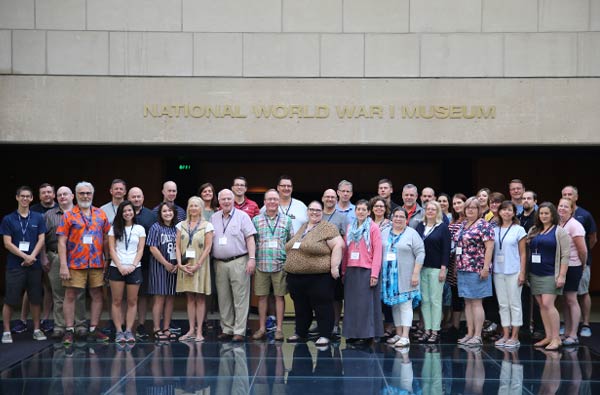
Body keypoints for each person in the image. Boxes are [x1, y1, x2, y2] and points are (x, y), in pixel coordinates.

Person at [57, 181, 111, 345]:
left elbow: (107, 238)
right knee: (70, 295)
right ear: (76, 195)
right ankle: (69, 330)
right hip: (75, 263)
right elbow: (61, 242)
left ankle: (94, 329)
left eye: (88, 193)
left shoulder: (100, 214)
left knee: (97, 295)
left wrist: (107, 259)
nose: (85, 196)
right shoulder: (68, 215)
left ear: (92, 195)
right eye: (82, 193)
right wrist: (63, 265)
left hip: (96, 263)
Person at [284, 201, 344, 346]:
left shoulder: (327, 227)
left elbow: (339, 245)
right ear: (307, 211)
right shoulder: (303, 227)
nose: (315, 212)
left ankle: (325, 334)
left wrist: (334, 267)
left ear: (322, 212)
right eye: (312, 210)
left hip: (319, 277)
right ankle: (300, 332)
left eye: (318, 210)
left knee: (322, 307)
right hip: (297, 277)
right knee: (301, 307)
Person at [1, 186, 47, 343]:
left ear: (32, 198)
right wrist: (24, 256)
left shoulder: (38, 217)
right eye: (22, 196)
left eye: (28, 196)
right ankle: (6, 331)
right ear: (17, 198)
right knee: (11, 299)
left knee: (35, 298)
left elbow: (42, 239)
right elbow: (7, 243)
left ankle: (36, 329)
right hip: (15, 265)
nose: (25, 199)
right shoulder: (8, 219)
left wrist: (32, 256)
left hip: (34, 264)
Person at [211, 189, 257, 342]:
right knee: (223, 298)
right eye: (223, 199)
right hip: (219, 263)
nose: (226, 202)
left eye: (229, 199)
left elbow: (250, 238)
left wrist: (252, 258)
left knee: (240, 297)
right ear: (219, 201)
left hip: (239, 261)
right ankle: (227, 328)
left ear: (233, 200)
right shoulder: (214, 217)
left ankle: (239, 330)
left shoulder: (243, 217)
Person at [42, 186, 87, 339]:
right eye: (59, 195)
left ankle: (80, 325)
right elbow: (42, 238)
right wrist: (44, 256)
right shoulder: (49, 215)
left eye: (65, 194)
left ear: (72, 196)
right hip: (54, 256)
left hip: (77, 257)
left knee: (79, 293)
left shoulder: (81, 213)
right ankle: (60, 326)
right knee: (58, 293)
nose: (62, 197)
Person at [251, 189, 294, 341]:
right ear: (264, 202)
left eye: (275, 199)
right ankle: (262, 328)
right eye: (269, 199)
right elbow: (252, 243)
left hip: (280, 264)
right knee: (261, 297)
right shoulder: (256, 220)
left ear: (279, 201)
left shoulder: (287, 220)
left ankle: (279, 329)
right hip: (261, 264)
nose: (272, 202)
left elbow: (290, 242)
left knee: (279, 297)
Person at [527, 202, 570, 351]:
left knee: (548, 304)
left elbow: (565, 255)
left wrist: (562, 276)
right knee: (541, 305)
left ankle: (557, 338)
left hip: (551, 273)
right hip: (535, 273)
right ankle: (548, 336)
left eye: (547, 213)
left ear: (553, 215)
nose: (543, 216)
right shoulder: (534, 230)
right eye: (541, 213)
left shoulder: (560, 231)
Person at [381, 207, 425, 348]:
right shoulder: (384, 232)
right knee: (395, 305)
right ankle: (398, 334)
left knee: (405, 306)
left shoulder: (412, 233)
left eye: (401, 216)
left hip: (407, 276)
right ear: (391, 218)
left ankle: (405, 336)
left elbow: (420, 253)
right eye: (396, 216)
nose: (398, 219)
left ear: (406, 219)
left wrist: (415, 273)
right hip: (389, 278)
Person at [341, 199, 383, 344]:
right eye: (358, 209)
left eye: (363, 209)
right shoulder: (349, 228)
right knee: (352, 305)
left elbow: (378, 252)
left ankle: (366, 335)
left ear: (368, 212)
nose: (360, 212)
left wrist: (374, 274)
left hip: (367, 270)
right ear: (355, 211)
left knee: (365, 306)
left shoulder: (373, 228)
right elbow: (346, 251)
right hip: (351, 270)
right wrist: (343, 271)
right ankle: (353, 333)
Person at [455, 197, 494, 347]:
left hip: (477, 268)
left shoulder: (484, 225)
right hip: (463, 268)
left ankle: (478, 335)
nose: (470, 210)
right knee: (467, 302)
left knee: (477, 302)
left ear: (479, 210)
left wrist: (485, 267)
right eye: (468, 207)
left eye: (473, 208)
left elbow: (489, 247)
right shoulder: (463, 224)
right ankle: (469, 333)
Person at [176, 196, 214, 342]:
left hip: (200, 265)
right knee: (190, 298)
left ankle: (199, 331)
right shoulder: (181, 225)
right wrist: (179, 264)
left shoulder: (207, 225)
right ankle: (191, 330)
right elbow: (178, 246)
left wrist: (198, 264)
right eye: (191, 205)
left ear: (201, 208)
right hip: (185, 266)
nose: (193, 208)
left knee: (200, 298)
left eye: (196, 206)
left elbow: (208, 247)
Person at [108, 201, 146, 343]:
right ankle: (119, 331)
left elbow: (140, 250)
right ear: (120, 213)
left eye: (130, 210)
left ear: (134, 212)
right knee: (117, 300)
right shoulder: (113, 229)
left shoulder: (140, 229)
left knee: (132, 300)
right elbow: (112, 250)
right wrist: (120, 266)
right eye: (124, 211)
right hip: (116, 267)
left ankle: (129, 330)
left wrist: (132, 265)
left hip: (134, 268)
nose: (127, 213)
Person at [562, 185, 597, 338]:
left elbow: (592, 239)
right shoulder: (560, 220)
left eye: (570, 194)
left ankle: (585, 324)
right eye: (564, 195)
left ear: (576, 197)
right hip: (565, 265)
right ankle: (569, 328)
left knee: (581, 293)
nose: (567, 196)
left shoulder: (584, 216)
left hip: (580, 263)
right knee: (567, 297)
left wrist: (583, 259)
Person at [492, 201, 527, 348]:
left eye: (509, 210)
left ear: (514, 213)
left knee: (515, 304)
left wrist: (522, 272)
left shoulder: (519, 230)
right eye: (504, 210)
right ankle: (505, 334)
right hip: (498, 271)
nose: (506, 212)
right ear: (499, 212)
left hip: (514, 270)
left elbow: (523, 253)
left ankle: (515, 336)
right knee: (503, 304)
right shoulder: (494, 230)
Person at [415, 201, 450, 344]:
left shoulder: (442, 228)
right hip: (422, 268)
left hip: (437, 269)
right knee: (425, 300)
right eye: (428, 209)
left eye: (433, 209)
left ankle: (435, 331)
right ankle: (427, 330)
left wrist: (443, 268)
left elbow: (446, 250)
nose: (430, 211)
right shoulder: (420, 226)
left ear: (438, 212)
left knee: (435, 300)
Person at [127, 186, 157, 340]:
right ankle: (127, 326)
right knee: (128, 296)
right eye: (133, 197)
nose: (136, 199)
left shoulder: (151, 216)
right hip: (126, 261)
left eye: (139, 196)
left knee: (143, 295)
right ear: (129, 198)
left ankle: (141, 324)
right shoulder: (124, 213)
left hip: (145, 262)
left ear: (143, 198)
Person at [557, 197, 587, 346]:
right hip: (560, 266)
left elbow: (583, 250)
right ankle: (567, 331)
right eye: (560, 206)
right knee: (564, 301)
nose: (562, 208)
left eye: (565, 207)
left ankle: (574, 334)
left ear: (572, 209)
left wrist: (582, 265)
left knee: (571, 299)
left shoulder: (575, 226)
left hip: (573, 266)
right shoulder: (558, 223)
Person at [146, 202, 178, 341]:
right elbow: (152, 247)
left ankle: (166, 327)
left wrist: (178, 264)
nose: (167, 213)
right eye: (164, 211)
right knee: (159, 298)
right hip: (159, 267)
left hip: (174, 267)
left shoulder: (177, 228)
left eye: (170, 211)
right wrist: (165, 263)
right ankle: (156, 328)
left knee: (170, 298)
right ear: (160, 213)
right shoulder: (155, 227)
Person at [322, 188, 348, 336]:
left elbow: (345, 240)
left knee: (336, 296)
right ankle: (322, 323)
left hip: (336, 263)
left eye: (332, 197)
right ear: (323, 198)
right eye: (327, 196)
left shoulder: (341, 218)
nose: (330, 199)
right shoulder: (317, 215)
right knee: (321, 295)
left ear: (336, 199)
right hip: (318, 262)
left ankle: (335, 324)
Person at [445, 193, 467, 333]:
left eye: (460, 203)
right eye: (455, 203)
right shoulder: (452, 221)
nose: (457, 206)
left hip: (464, 262)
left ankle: (464, 327)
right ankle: (455, 325)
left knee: (465, 296)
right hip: (452, 261)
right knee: (455, 295)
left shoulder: (469, 221)